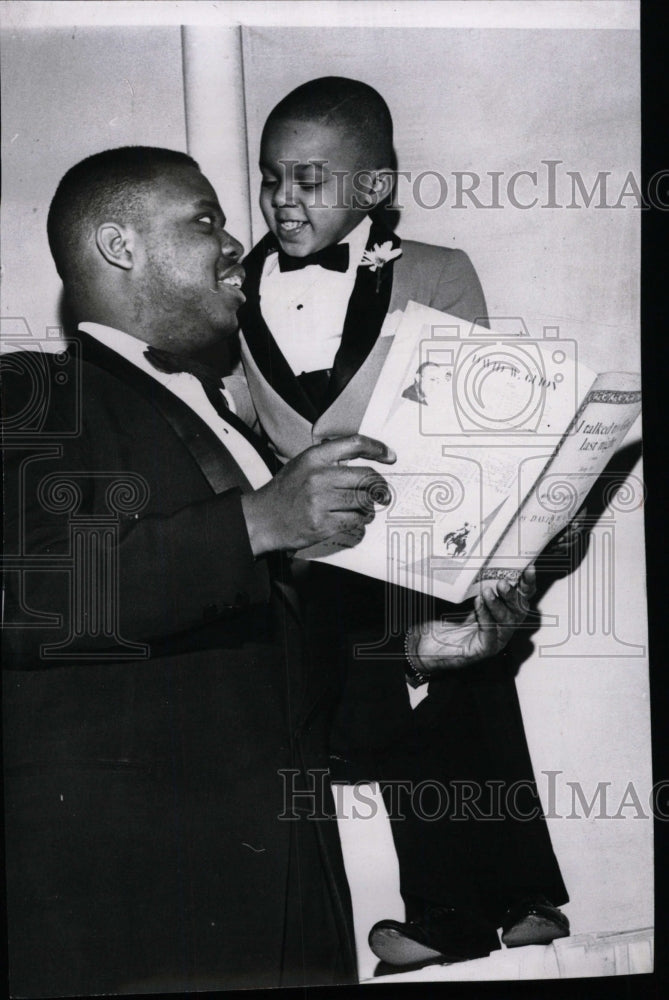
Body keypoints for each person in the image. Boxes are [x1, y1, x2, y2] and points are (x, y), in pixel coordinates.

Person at [1, 145, 405, 995]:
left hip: (294, 905)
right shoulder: (32, 391)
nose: (238, 243)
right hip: (140, 913)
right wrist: (256, 520)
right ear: (120, 245)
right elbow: (33, 594)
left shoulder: (239, 435)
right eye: (205, 220)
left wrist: (414, 658)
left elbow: (277, 675)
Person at [237, 77, 570, 969]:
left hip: (423, 524)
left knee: (466, 670)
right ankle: (470, 907)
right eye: (270, 177)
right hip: (312, 545)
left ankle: (513, 898)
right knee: (394, 694)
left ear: (375, 187)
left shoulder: (438, 268)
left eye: (308, 179)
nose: (282, 199)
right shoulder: (234, 287)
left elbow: (482, 414)